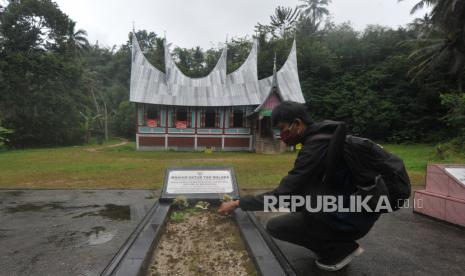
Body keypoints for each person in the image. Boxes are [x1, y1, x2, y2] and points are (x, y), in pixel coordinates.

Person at [218, 101, 380, 271]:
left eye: (282, 129)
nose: (281, 135)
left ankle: (339, 250)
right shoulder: (325, 139)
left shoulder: (315, 148)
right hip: (358, 212)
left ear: (297, 124)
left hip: (350, 218)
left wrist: (238, 203)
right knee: (299, 207)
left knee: (277, 226)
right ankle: (336, 242)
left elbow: (282, 195)